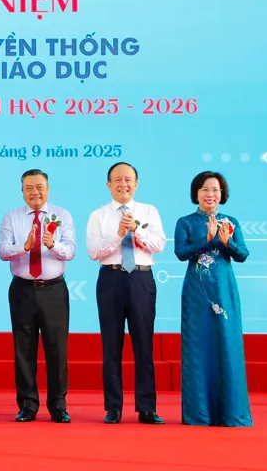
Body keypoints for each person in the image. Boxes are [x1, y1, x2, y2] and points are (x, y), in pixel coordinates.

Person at [86, 162, 166, 425]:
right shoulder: (98, 215)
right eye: (118, 180)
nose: (123, 184)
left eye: (128, 179)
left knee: (144, 344)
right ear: (108, 185)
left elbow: (159, 245)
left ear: (136, 183)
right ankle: (113, 408)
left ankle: (147, 408)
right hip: (110, 278)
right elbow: (94, 251)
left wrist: (137, 230)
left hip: (141, 278)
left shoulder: (149, 211)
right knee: (111, 345)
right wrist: (118, 235)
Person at [174, 171, 251, 427]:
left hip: (225, 290)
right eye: (205, 189)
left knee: (227, 344)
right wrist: (206, 239)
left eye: (215, 190)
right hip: (197, 293)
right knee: (199, 346)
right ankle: (200, 414)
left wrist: (227, 242)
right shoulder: (185, 222)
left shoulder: (231, 222)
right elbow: (181, 253)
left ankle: (232, 413)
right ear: (196, 193)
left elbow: (242, 254)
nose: (210, 194)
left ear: (222, 194)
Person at [0, 169, 75, 423]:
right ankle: (27, 405)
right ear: (22, 191)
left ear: (48, 189)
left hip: (54, 290)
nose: (35, 192)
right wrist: (25, 247)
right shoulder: (12, 217)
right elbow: (3, 251)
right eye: (29, 188)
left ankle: (58, 405)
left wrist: (52, 244)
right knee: (24, 349)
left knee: (57, 349)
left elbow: (70, 251)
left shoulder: (62, 215)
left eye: (40, 187)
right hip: (22, 289)